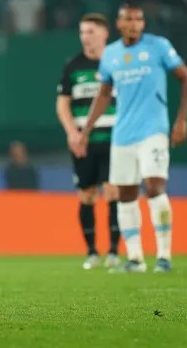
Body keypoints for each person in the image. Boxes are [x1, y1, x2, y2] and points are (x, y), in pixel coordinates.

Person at [73, 3, 187, 273]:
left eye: (139, 20)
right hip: (123, 136)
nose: (135, 24)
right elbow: (104, 95)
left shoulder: (159, 46)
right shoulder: (112, 55)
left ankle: (164, 256)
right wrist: (86, 131)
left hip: (153, 131)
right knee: (126, 195)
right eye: (129, 19)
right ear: (119, 24)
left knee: (154, 188)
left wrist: (181, 119)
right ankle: (136, 259)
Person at [56, 13, 120, 270]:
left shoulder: (116, 63)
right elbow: (62, 104)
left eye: (91, 31)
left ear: (105, 34)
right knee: (87, 194)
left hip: (115, 138)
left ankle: (114, 251)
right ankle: (92, 252)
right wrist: (72, 133)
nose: (86, 37)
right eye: (82, 32)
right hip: (84, 142)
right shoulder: (73, 66)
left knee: (113, 190)